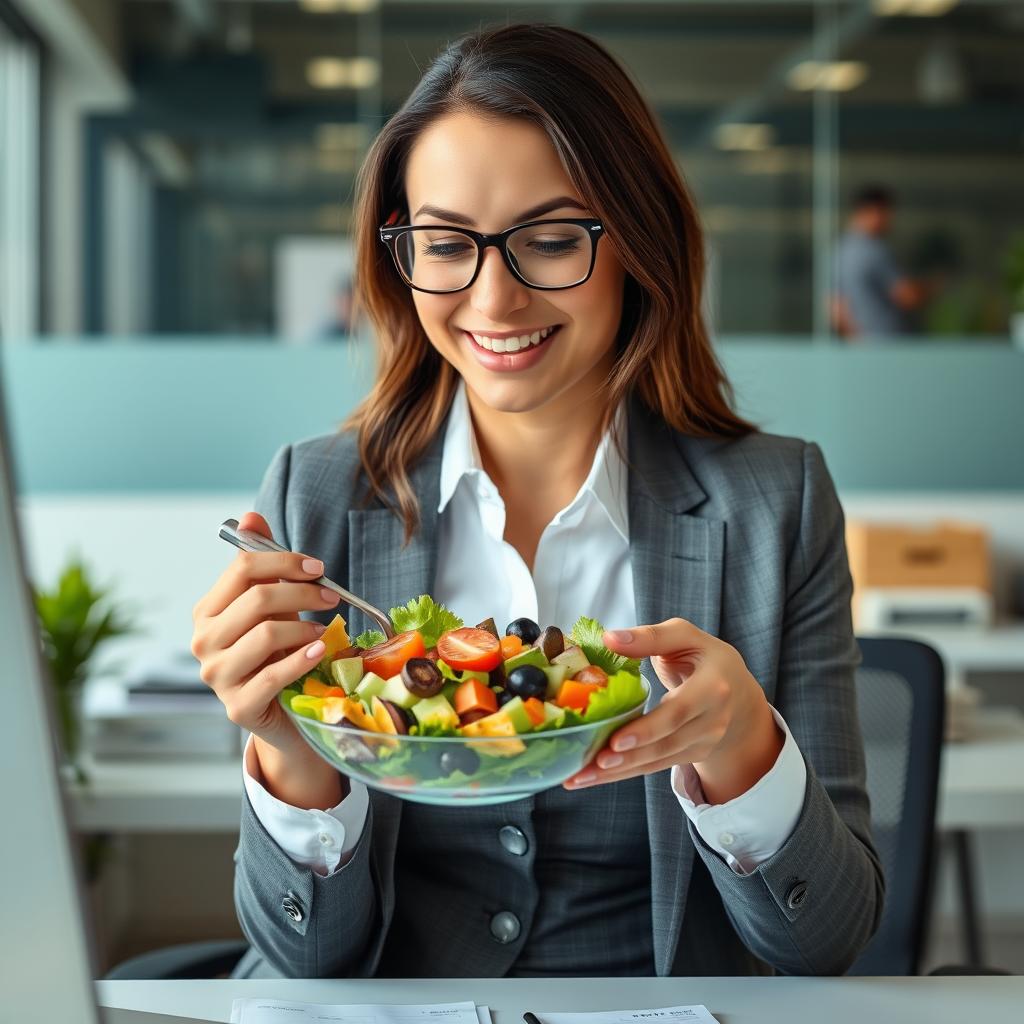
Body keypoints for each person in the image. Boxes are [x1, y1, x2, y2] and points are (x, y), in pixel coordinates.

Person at [190, 23, 882, 979]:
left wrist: (746, 750)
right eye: (443, 244)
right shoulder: (313, 494)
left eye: (551, 240)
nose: (494, 299)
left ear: (639, 240)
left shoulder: (779, 501)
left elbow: (828, 944)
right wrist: (292, 757)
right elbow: (303, 957)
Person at [831, 184, 927, 341]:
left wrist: (857, 342)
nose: (890, 220)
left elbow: (835, 310)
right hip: (889, 344)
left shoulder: (840, 251)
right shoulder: (875, 251)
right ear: (873, 211)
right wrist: (932, 288)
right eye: (887, 213)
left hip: (864, 344)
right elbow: (907, 297)